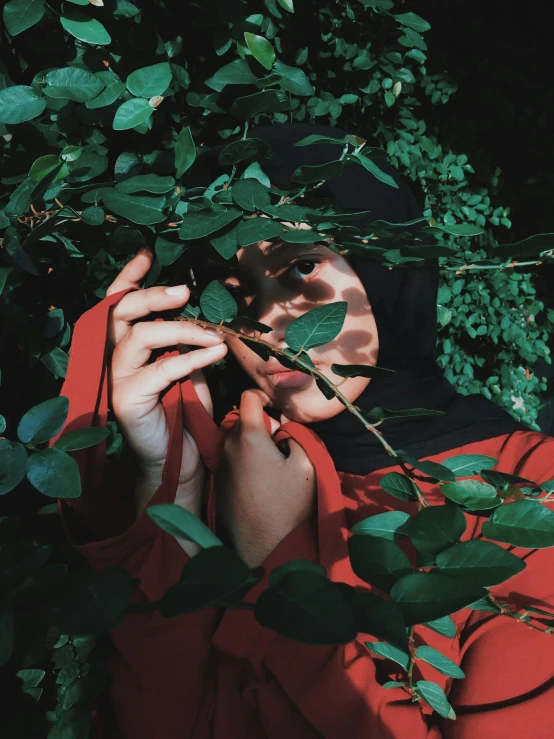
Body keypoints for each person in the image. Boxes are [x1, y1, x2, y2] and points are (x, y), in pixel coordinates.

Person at [50, 123, 554, 739]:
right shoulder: (232, 469)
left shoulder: (532, 492)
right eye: (234, 297)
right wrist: (170, 481)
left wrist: (276, 557)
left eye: (302, 267)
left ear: (387, 269)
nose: (267, 323)